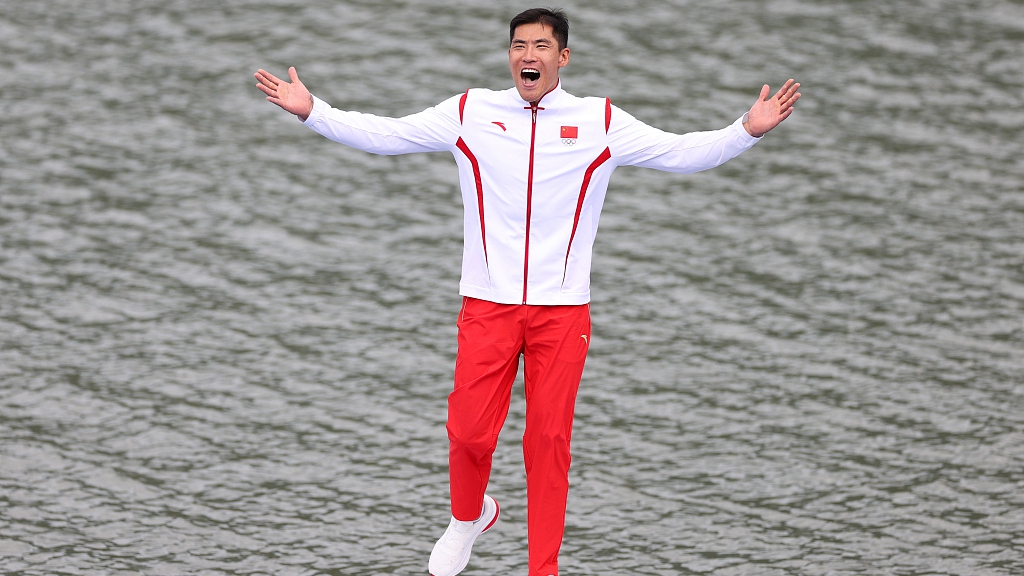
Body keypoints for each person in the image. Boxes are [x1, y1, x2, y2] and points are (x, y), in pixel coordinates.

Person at [255, 8, 799, 576]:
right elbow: (388, 135)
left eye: (541, 46)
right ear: (509, 55)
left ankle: (544, 569)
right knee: (467, 433)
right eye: (519, 46)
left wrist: (745, 131)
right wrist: (313, 112)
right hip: (487, 305)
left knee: (547, 445)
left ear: (563, 58)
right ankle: (469, 518)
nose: (528, 56)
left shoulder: (601, 121)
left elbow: (683, 152)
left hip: (562, 314)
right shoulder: (469, 112)